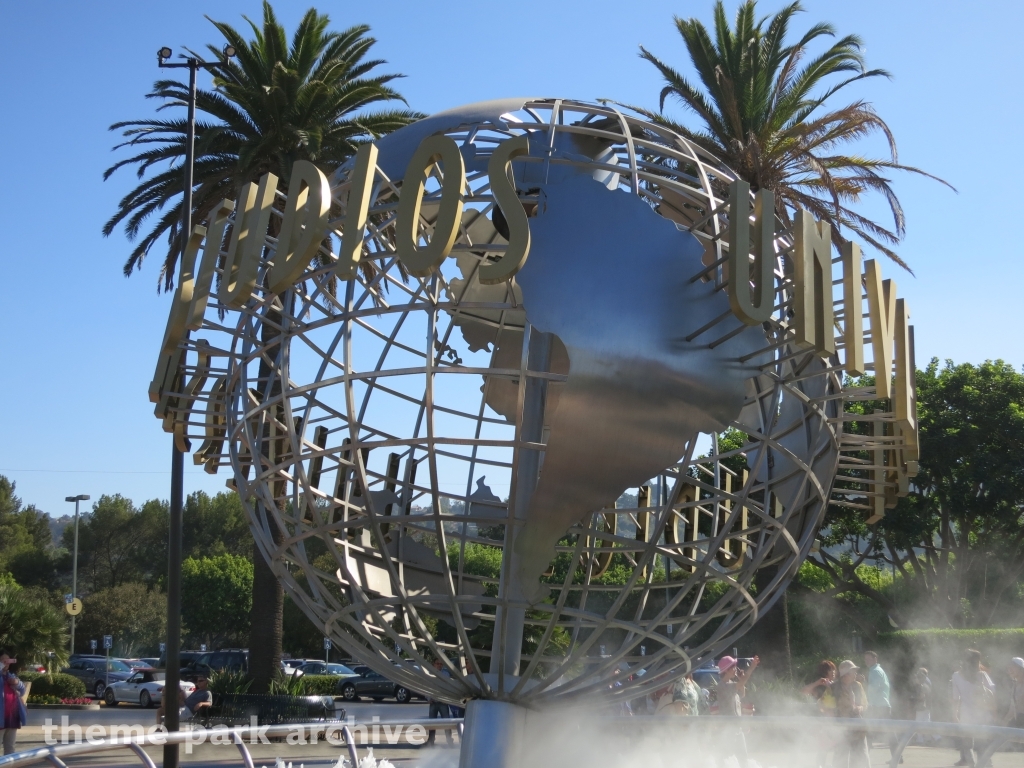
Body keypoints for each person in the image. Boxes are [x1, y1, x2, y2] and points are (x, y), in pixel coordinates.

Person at [952, 649, 996, 768]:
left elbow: (956, 698)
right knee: (982, 744)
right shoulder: (982, 675)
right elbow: (992, 693)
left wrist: (955, 715)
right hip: (982, 715)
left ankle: (973, 765)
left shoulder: (956, 676)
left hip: (966, 714)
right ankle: (986, 764)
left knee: (967, 744)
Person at [832, 660, 869, 768]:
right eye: (853, 671)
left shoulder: (858, 685)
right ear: (845, 675)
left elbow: (864, 703)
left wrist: (860, 708)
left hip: (858, 728)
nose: (856, 674)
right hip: (841, 728)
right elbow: (825, 705)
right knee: (841, 758)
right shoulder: (834, 687)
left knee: (862, 757)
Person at [862, 651, 898, 761]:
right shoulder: (877, 670)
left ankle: (863, 757)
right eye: (865, 659)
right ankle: (897, 756)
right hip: (881, 705)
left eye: (869, 659)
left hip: (878, 706)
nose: (866, 661)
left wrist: (863, 682)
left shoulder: (875, 671)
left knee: (868, 731)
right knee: (887, 731)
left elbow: (874, 689)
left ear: (875, 659)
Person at [0, 656, 26, 756]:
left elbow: (22, 691)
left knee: (10, 747)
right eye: (3, 660)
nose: (6, 663)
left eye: (8, 660)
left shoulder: (10, 675)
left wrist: (17, 683)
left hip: (12, 717)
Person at [425, 659, 453, 747]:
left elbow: (449, 687)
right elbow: (426, 686)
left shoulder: (446, 674)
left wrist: (447, 699)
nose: (439, 665)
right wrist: (428, 698)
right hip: (433, 702)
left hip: (443, 702)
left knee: (446, 722)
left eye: (441, 664)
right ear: (433, 664)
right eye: (437, 664)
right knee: (432, 723)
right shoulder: (429, 674)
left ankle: (449, 740)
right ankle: (431, 740)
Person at [908, 668, 934, 745]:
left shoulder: (923, 682)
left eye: (919, 673)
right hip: (927, 705)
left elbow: (922, 695)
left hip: (922, 705)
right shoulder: (928, 681)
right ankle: (930, 738)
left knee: (918, 721)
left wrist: (914, 698)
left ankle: (920, 739)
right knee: (927, 721)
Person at [1005, 657, 1024, 730]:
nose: (1009, 670)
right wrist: (1003, 722)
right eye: (1008, 668)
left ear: (1020, 668)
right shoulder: (1015, 686)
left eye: (1012, 667)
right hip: (1018, 722)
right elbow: (1012, 709)